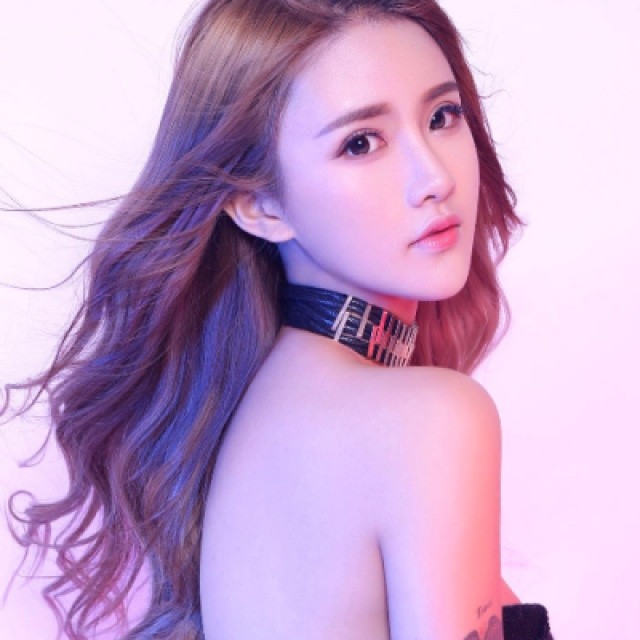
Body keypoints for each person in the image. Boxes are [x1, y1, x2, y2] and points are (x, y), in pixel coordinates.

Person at [5, 1, 554, 639]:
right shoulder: (430, 418)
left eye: (442, 116)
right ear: (258, 205)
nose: (433, 176)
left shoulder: (261, 412)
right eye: (360, 142)